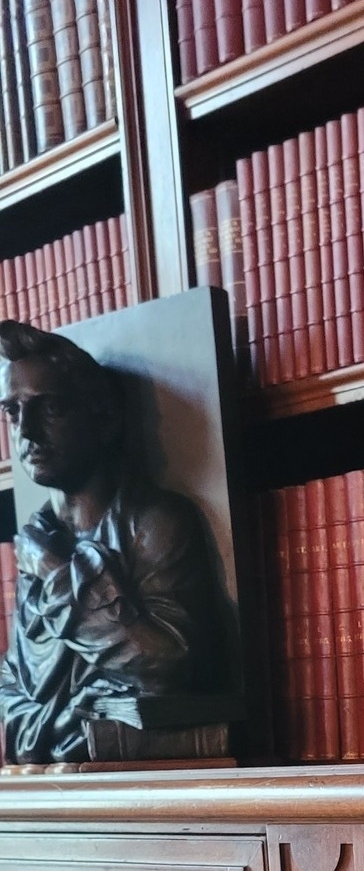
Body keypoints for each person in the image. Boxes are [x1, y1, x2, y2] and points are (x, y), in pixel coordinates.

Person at [0, 321, 223, 763]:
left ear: (105, 419)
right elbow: (14, 701)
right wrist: (75, 719)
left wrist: (57, 574)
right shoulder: (34, 539)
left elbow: (165, 667)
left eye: (51, 409)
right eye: (13, 411)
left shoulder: (156, 525)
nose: (25, 432)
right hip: (62, 796)